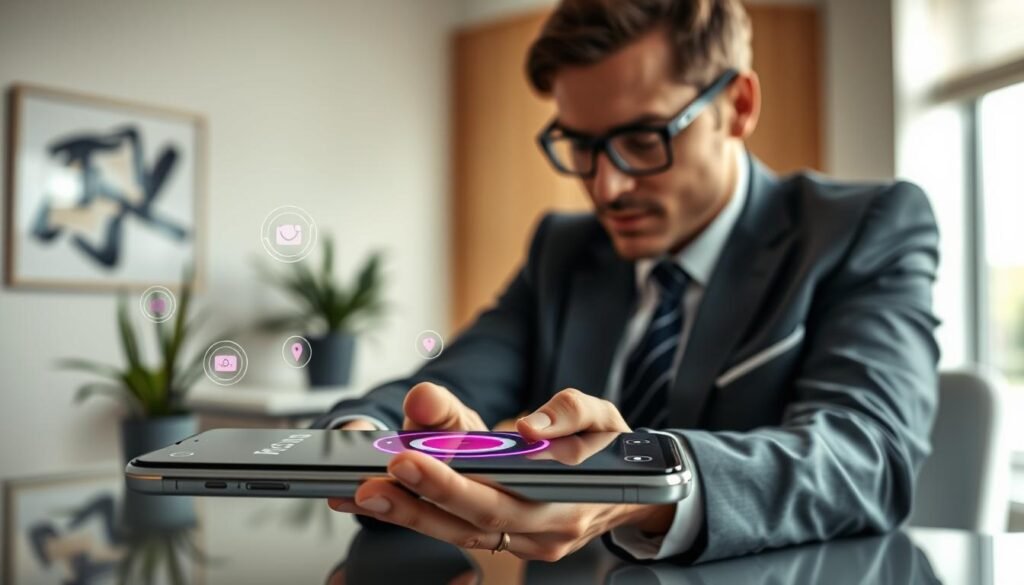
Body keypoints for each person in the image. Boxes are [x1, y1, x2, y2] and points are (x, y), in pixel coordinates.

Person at [316, 0, 940, 565]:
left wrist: (643, 483)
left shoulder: (864, 227)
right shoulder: (563, 251)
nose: (606, 187)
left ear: (738, 105)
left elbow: (868, 456)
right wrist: (367, 438)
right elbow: (452, 383)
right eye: (579, 145)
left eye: (643, 140)